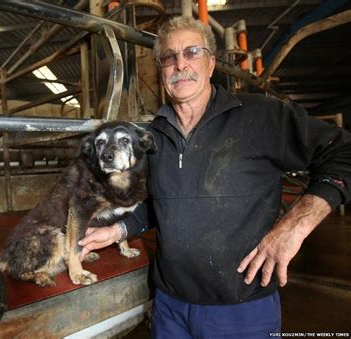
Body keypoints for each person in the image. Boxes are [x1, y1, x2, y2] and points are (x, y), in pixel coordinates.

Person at [78, 16, 351, 338]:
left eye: (192, 52)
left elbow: (344, 152)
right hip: (169, 306)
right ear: (160, 70)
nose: (180, 63)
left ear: (211, 63)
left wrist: (295, 225)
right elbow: (160, 205)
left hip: (242, 308)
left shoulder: (262, 115)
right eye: (168, 57)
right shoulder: (152, 137)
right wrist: (118, 229)